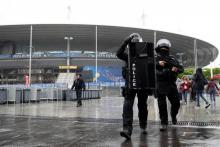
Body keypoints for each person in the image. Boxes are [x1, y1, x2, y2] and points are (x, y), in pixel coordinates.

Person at [117, 33, 149, 140]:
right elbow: (118, 53)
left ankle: (143, 125)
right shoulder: (128, 56)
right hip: (130, 84)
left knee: (142, 106)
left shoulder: (147, 55)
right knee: (127, 106)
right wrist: (126, 41)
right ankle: (127, 130)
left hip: (143, 85)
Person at [155, 39, 184, 131]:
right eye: (162, 48)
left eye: (166, 48)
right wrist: (158, 64)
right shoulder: (155, 58)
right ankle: (164, 123)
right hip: (160, 83)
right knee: (162, 105)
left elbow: (181, 68)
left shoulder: (173, 58)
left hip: (171, 83)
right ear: (159, 48)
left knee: (176, 103)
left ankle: (173, 115)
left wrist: (176, 69)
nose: (164, 49)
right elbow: (149, 65)